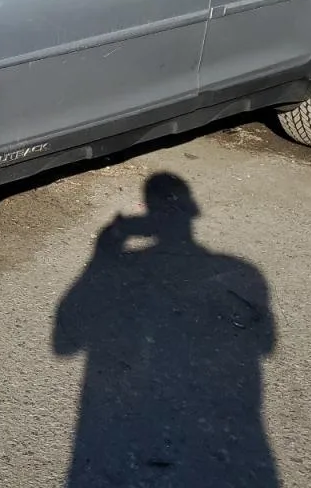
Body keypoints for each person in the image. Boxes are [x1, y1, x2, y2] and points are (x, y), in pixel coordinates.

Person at [54, 172, 278, 487]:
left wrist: (102, 255)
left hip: (122, 428)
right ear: (191, 211)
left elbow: (64, 343)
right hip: (227, 445)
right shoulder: (243, 271)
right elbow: (266, 343)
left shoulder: (125, 264)